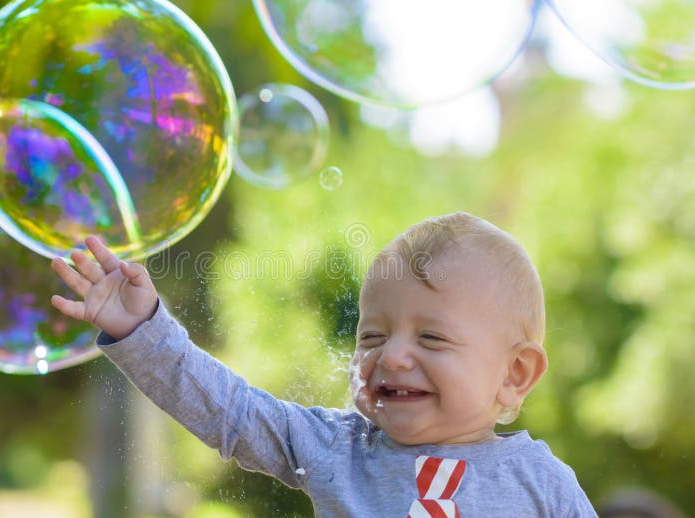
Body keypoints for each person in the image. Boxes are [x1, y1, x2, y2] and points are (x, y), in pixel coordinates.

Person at [51, 212, 597, 517]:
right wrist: (144, 330)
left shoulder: (542, 485)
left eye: (431, 337)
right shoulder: (338, 449)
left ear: (515, 373)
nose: (393, 356)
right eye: (372, 336)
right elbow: (231, 412)